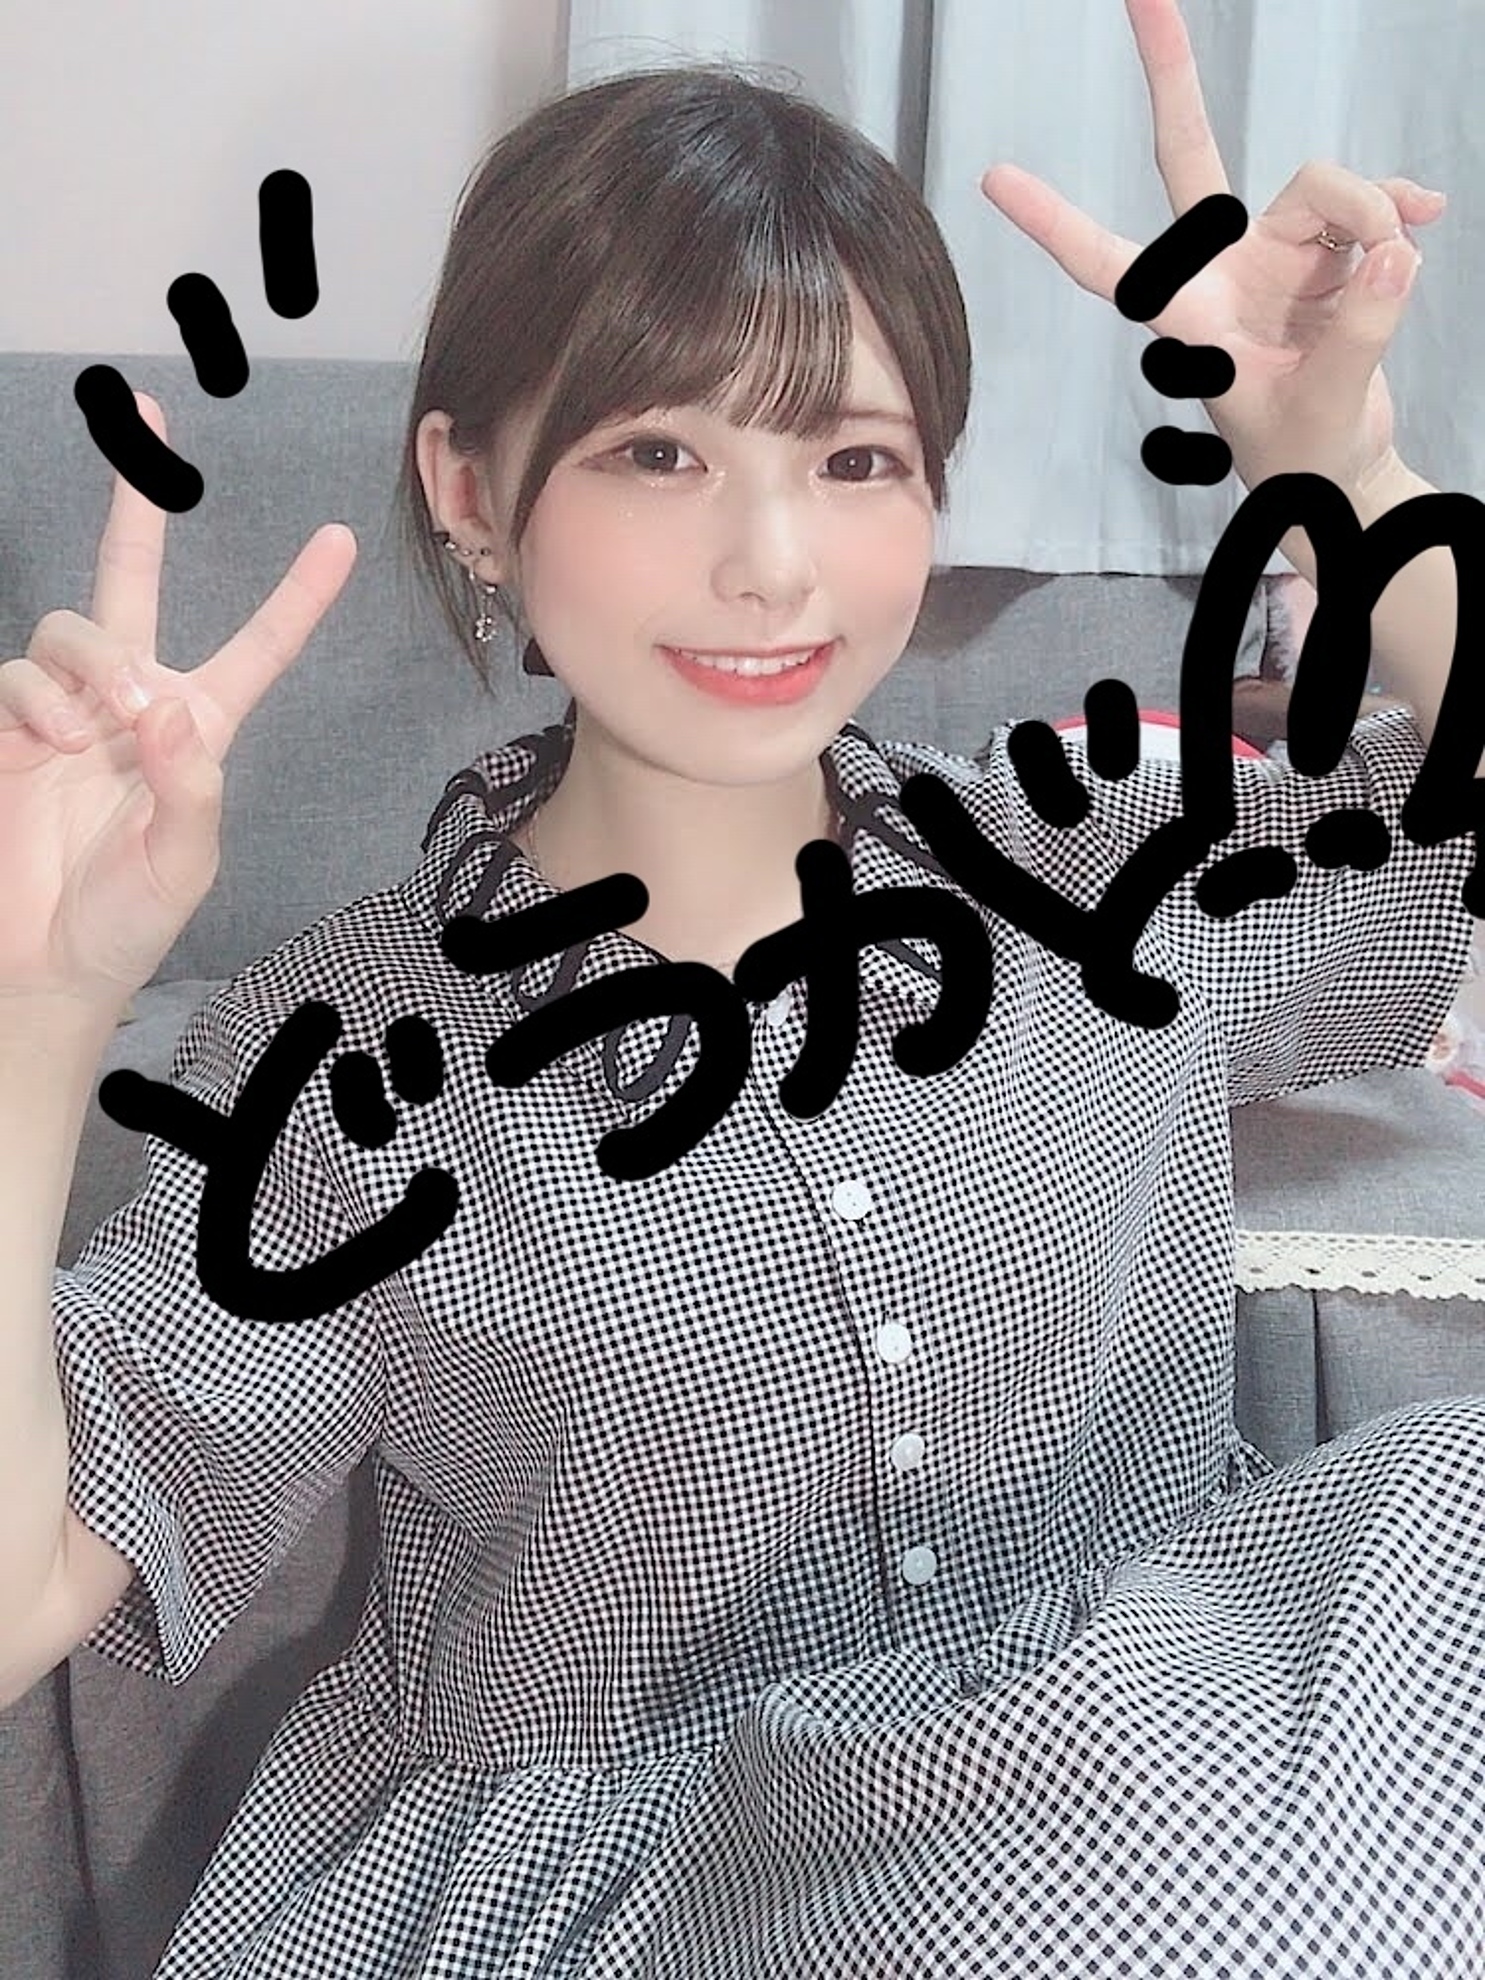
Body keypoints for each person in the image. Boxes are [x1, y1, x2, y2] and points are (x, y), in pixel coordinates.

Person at [1, 0, 1482, 1971]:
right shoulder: (353, 1061)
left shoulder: (1089, 879)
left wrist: (1338, 458)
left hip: (1173, 1791)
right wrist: (38, 1006)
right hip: (642, 1905)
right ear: (469, 485)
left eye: (853, 457)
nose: (772, 563)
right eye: (658, 451)